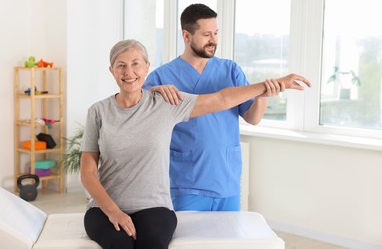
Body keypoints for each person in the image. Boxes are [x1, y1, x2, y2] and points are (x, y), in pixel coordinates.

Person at [80, 39, 310, 248]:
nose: (129, 72)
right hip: (104, 209)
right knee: (119, 246)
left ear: (147, 67)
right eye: (121, 65)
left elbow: (222, 98)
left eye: (135, 64)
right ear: (111, 71)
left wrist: (274, 84)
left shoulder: (165, 104)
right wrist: (114, 212)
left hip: (154, 207)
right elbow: (88, 172)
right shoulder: (98, 112)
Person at [144, 3, 303, 211]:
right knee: (190, 243)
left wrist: (262, 95)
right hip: (186, 182)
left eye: (216, 33)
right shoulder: (162, 77)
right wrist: (154, 93)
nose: (214, 40)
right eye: (207, 34)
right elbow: (143, 118)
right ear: (186, 35)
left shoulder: (230, 70)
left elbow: (253, 118)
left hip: (226, 180)